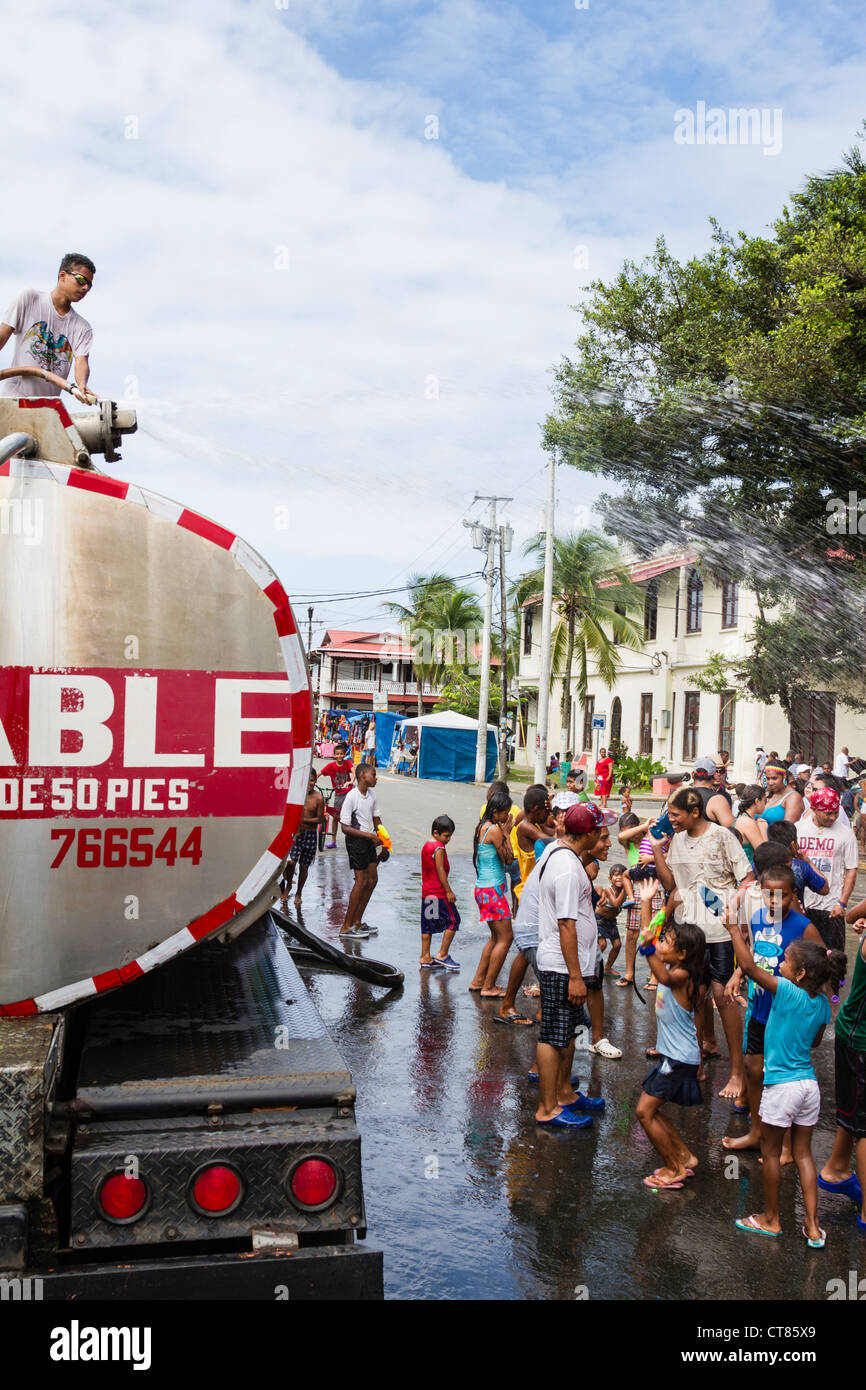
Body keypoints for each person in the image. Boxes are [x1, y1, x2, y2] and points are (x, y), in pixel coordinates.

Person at [723, 912, 845, 1245]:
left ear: (801, 973)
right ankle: (813, 1225)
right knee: (804, 1155)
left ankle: (772, 1219)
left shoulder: (787, 992)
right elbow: (814, 1041)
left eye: (786, 962)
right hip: (808, 1086)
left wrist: (734, 929)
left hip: (782, 1087)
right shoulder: (822, 1005)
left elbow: (749, 968)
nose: (780, 965)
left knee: (772, 1154)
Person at [651, 786, 754, 1102]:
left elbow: (747, 878)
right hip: (688, 931)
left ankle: (737, 1072)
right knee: (693, 994)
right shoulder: (677, 841)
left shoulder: (722, 836)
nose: (671, 820)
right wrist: (657, 850)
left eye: (675, 814)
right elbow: (672, 885)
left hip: (720, 932)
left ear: (694, 812)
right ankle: (697, 1060)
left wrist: (733, 908)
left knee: (723, 996)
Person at [722, 865, 824, 1157]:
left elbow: (822, 968)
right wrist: (737, 976)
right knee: (754, 1072)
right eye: (769, 895)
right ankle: (757, 1133)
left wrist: (818, 1007)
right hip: (760, 1006)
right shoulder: (756, 918)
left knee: (782, 1079)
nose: (774, 902)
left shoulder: (805, 927)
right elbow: (753, 958)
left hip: (786, 1014)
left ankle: (787, 1146)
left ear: (793, 894)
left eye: (782, 896)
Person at [534, 802, 607, 1128]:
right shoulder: (565, 867)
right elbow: (566, 924)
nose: (606, 838)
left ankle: (564, 1094)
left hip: (572, 965)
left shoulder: (569, 857)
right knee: (553, 1035)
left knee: (568, 1033)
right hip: (562, 967)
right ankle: (547, 1108)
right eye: (601, 832)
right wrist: (577, 977)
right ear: (588, 833)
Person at [634, 879, 705, 1188]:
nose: (660, 943)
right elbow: (650, 932)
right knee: (653, 1111)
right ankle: (684, 1157)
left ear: (682, 953)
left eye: (667, 942)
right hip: (675, 1057)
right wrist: (649, 902)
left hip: (678, 1060)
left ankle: (673, 1168)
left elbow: (658, 969)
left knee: (643, 1111)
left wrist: (649, 945)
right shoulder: (677, 967)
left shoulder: (681, 976)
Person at [817, 903, 866, 1229]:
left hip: (853, 1034)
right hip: (859, 1039)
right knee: (864, 1124)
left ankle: (836, 1169)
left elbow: (852, 917)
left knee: (853, 1113)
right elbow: (850, 916)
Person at [0, 254, 98, 402]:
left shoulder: (82, 327)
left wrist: (81, 385)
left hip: (48, 409)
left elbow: (81, 361)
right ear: (62, 275)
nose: (85, 288)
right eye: (81, 280)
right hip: (15, 401)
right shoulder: (29, 298)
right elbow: (2, 337)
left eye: (89, 285)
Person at [796, 786, 858, 950]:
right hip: (803, 905)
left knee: (833, 958)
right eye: (828, 813)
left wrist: (842, 903)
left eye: (836, 813)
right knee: (804, 956)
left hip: (831, 907)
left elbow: (851, 869)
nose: (833, 817)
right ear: (814, 809)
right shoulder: (798, 829)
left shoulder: (846, 834)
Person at [469, 791, 515, 997]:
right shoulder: (495, 831)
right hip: (492, 890)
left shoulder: (481, 826)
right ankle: (489, 986)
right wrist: (507, 833)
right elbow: (509, 859)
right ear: (495, 812)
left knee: (495, 937)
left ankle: (479, 981)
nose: (507, 817)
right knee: (506, 938)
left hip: (483, 888)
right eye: (505, 813)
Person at [339, 763, 385, 939]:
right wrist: (368, 836)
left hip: (369, 841)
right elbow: (344, 827)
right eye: (373, 774)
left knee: (372, 879)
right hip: (356, 841)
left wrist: (384, 841)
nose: (376, 778)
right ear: (362, 776)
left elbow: (377, 820)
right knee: (361, 881)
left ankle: (357, 921)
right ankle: (345, 926)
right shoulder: (351, 797)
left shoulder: (372, 795)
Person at [279, 769, 325, 909]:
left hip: (310, 835)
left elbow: (319, 819)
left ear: (315, 781)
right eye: (307, 780)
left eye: (312, 780)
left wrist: (302, 819)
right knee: (291, 862)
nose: (309, 783)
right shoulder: (296, 795)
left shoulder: (318, 798)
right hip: (297, 834)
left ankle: (299, 893)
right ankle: (288, 885)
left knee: (304, 866)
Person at [420, 815, 460, 971]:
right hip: (438, 893)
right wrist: (449, 891)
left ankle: (425, 956)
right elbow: (440, 870)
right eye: (446, 836)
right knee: (453, 920)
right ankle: (442, 954)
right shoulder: (439, 848)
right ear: (436, 833)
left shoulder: (426, 845)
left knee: (428, 925)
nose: (448, 839)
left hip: (427, 892)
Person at [763, 821, 829, 906]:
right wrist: (809, 863)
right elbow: (825, 889)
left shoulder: (760, 862)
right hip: (794, 916)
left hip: (765, 916)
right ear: (793, 844)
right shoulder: (801, 867)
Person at [513, 785, 554, 896]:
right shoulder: (525, 827)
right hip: (531, 889)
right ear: (536, 810)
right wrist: (554, 811)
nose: (548, 815)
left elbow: (561, 834)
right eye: (546, 811)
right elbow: (554, 841)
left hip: (537, 887)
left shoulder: (537, 825)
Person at [319, 740, 355, 847]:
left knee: (350, 816)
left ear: (344, 755)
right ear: (334, 755)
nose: (339, 756)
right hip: (338, 793)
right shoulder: (331, 766)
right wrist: (311, 781)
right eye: (337, 754)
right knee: (335, 816)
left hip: (349, 792)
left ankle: (354, 838)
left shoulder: (347, 763)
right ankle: (333, 841)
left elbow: (354, 772)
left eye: (341, 754)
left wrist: (351, 781)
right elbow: (319, 773)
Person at [596, 863, 627, 976]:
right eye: (616, 875)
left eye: (622, 876)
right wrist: (626, 888)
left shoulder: (626, 891)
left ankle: (607, 968)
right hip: (599, 920)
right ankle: (591, 965)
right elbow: (615, 903)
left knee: (617, 945)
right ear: (610, 878)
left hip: (611, 921)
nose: (619, 878)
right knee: (602, 944)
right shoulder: (609, 890)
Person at [757, 760, 805, 828]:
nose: (770, 782)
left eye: (774, 778)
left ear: (784, 777)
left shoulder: (793, 797)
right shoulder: (767, 794)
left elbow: (787, 830)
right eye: (768, 778)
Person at [690, 756, 734, 826]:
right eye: (716, 771)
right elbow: (731, 829)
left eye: (721, 771)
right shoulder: (718, 800)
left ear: (693, 774)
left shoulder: (680, 795)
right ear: (713, 775)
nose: (719, 774)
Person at [733, 784, 769, 865]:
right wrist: (763, 829)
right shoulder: (747, 821)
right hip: (748, 870)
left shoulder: (744, 817)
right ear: (757, 801)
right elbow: (764, 854)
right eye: (764, 800)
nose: (765, 804)